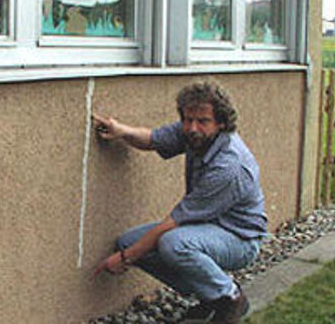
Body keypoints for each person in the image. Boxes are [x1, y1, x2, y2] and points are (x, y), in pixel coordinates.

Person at [91, 82, 267, 324]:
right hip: (205, 226)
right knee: (129, 242)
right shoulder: (194, 134)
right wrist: (121, 131)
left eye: (203, 121)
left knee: (173, 243)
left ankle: (231, 298)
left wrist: (124, 259)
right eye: (187, 119)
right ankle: (210, 295)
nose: (192, 127)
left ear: (221, 123)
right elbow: (153, 139)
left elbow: (175, 222)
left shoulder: (229, 166)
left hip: (239, 238)